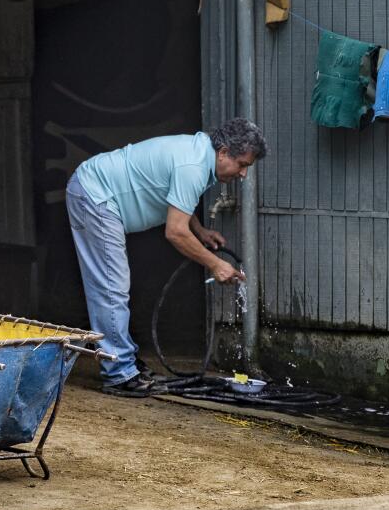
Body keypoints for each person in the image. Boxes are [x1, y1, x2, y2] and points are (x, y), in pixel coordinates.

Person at [65, 118, 266, 397]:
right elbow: (175, 232)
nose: (243, 174)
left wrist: (200, 231)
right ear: (223, 153)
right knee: (111, 286)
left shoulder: (201, 156)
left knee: (114, 286)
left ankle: (123, 359)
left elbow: (178, 201)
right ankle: (119, 373)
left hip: (97, 189)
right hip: (95, 194)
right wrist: (216, 264)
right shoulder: (194, 166)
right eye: (242, 164)